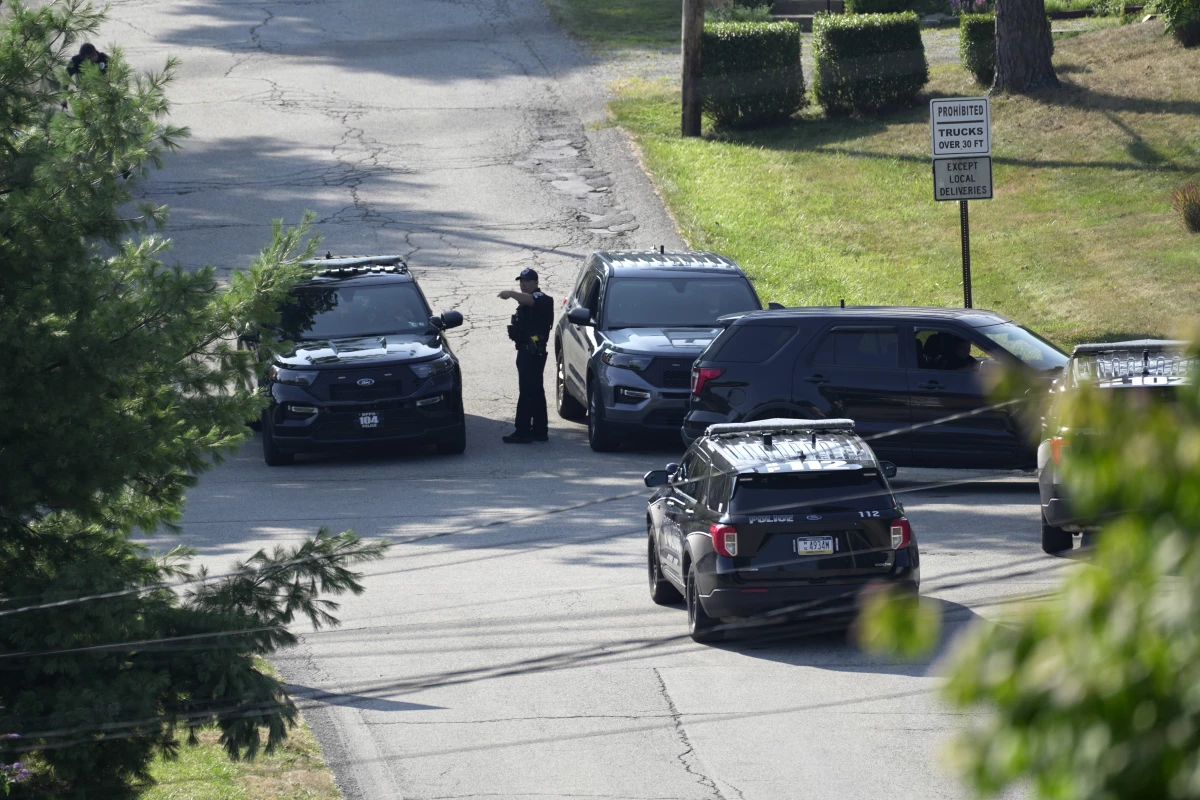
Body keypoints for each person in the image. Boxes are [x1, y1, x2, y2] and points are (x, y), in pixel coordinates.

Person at [499, 268, 553, 443]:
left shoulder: (542, 299)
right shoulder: (525, 303)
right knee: (535, 391)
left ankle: (522, 431)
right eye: (521, 281)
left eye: (527, 281)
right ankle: (539, 430)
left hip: (533, 353)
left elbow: (531, 300)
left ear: (536, 283)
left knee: (527, 391)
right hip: (525, 351)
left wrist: (510, 293)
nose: (523, 284)